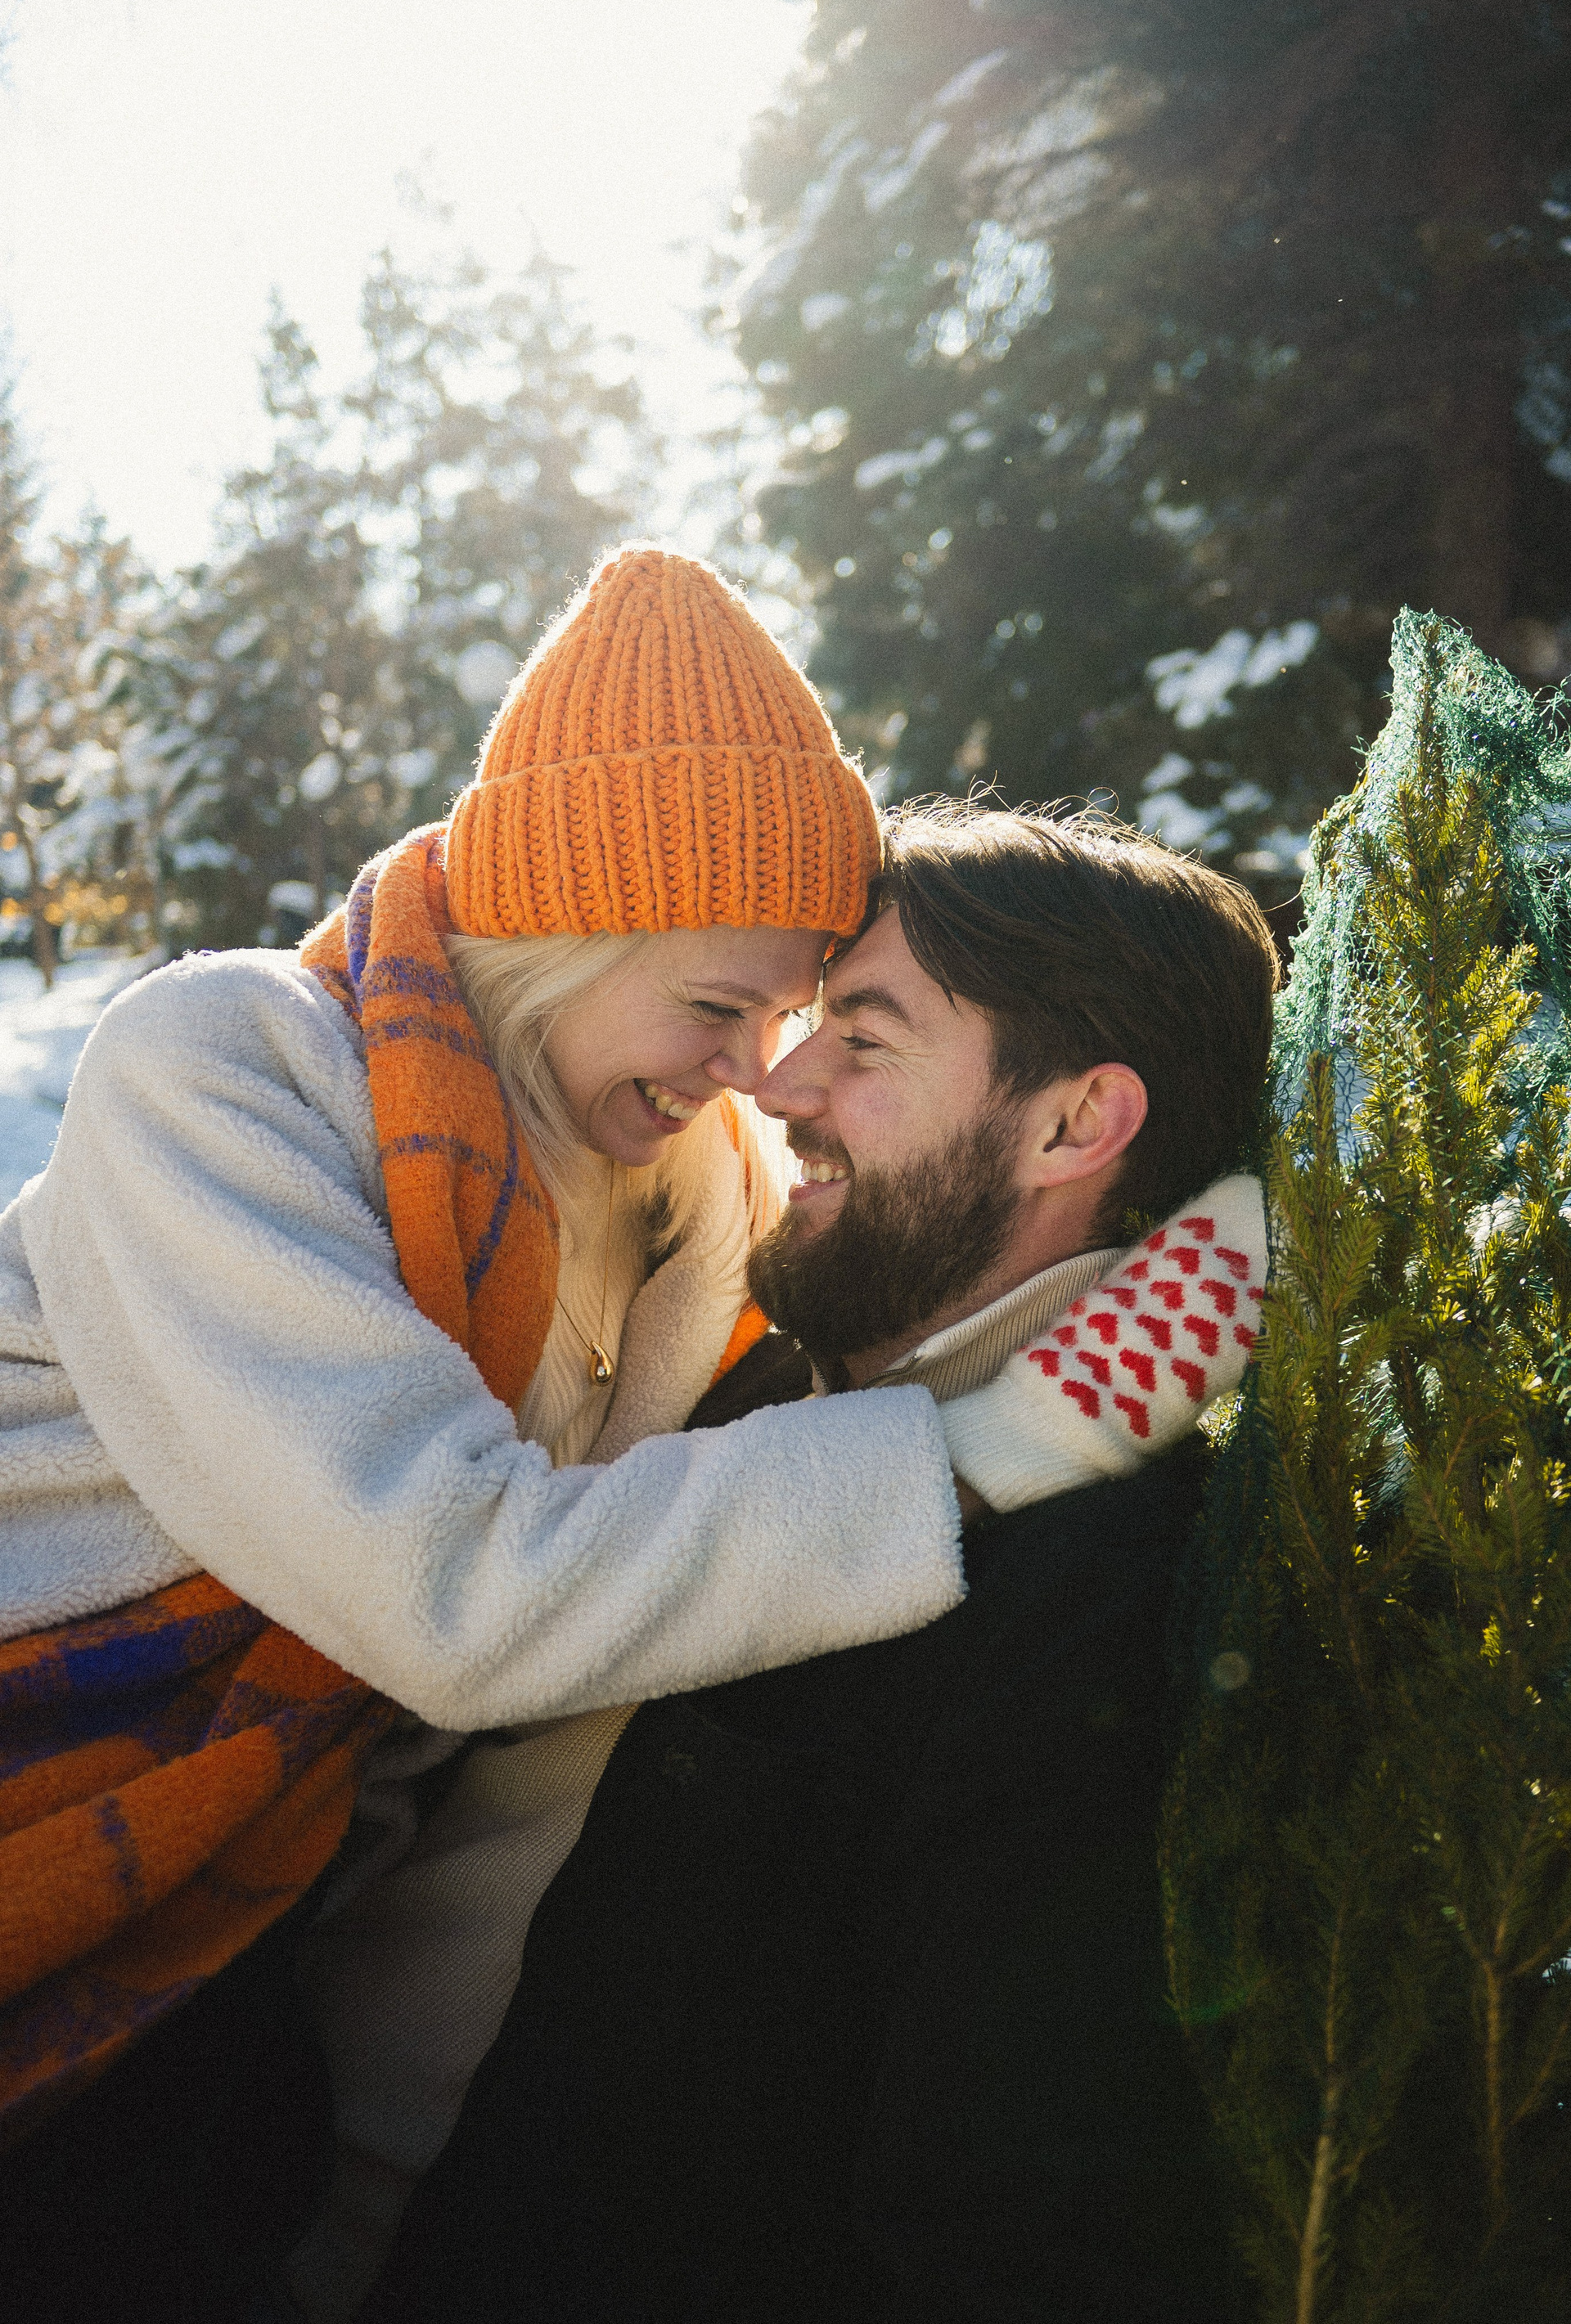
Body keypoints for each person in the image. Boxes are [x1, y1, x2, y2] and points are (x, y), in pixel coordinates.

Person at [0, 555, 1261, 2322]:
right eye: (724, 1006)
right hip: (60, 1781)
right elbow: (455, 1587)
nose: (762, 1073)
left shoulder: (678, 1187)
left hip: (263, 1943)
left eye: (807, 1018)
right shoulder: (227, 1072)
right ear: (576, 932)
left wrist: (1186, 1259)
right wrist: (1015, 1432)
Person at [368, 800, 1279, 2323]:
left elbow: (1021, 2235)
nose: (777, 1083)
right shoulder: (767, 1382)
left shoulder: (1097, 1601)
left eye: (863, 1037)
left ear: (1075, 1125)